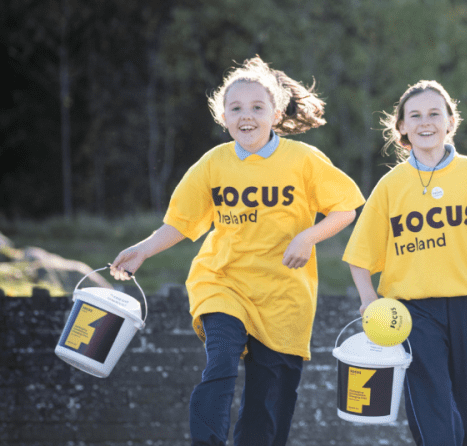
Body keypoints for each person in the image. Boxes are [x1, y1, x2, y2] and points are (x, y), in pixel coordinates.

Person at [109, 56, 364, 445]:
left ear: (276, 113)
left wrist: (307, 237)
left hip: (283, 294)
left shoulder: (304, 160)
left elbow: (345, 207)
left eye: (257, 108)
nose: (247, 116)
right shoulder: (213, 163)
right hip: (223, 281)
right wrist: (143, 250)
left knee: (268, 406)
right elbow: (182, 221)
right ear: (223, 116)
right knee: (221, 364)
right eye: (236, 108)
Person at [343, 80, 467, 445]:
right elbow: (359, 257)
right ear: (401, 126)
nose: (425, 122)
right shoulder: (390, 185)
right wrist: (369, 300)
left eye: (435, 113)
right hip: (412, 313)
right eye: (414, 115)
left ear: (451, 121)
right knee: (435, 418)